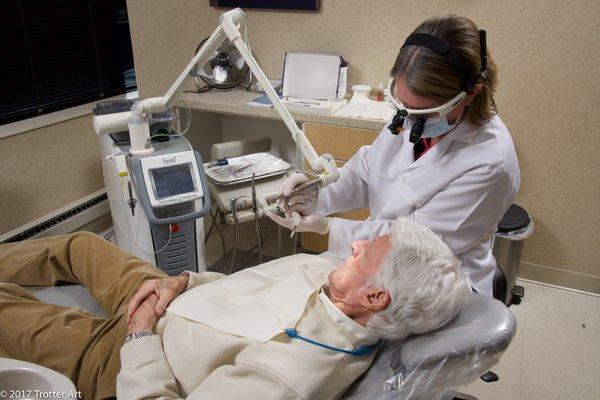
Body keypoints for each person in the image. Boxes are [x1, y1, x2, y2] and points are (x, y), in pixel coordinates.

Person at [0, 218, 469, 400]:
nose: (358, 243)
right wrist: (183, 281)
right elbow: (244, 287)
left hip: (127, 354)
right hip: (165, 296)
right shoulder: (328, 275)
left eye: (369, 252)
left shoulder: (295, 374)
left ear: (375, 298)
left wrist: (140, 335)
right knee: (82, 243)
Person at [268, 15, 520, 295]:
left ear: (471, 94)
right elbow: (364, 176)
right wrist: (313, 195)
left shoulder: (491, 162)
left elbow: (415, 241)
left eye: (425, 112)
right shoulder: (411, 118)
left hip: (437, 277)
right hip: (376, 254)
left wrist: (330, 229)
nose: (411, 121)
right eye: (405, 107)